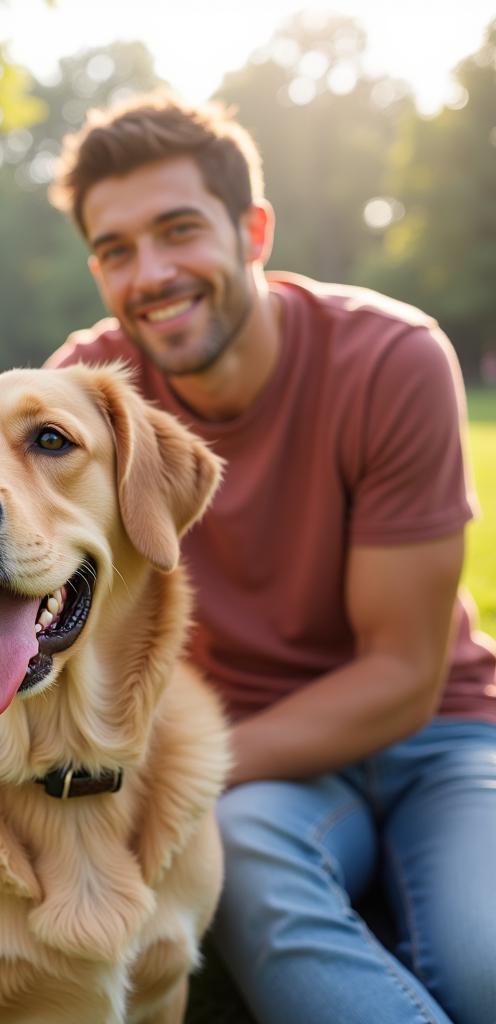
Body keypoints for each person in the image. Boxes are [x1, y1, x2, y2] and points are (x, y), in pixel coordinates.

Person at [45, 92, 496, 1024]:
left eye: (179, 231)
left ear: (252, 229)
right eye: (117, 250)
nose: (152, 274)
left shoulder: (391, 358)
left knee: (483, 967)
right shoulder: (80, 405)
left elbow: (402, 675)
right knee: (252, 889)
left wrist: (175, 773)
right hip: (261, 772)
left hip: (437, 737)